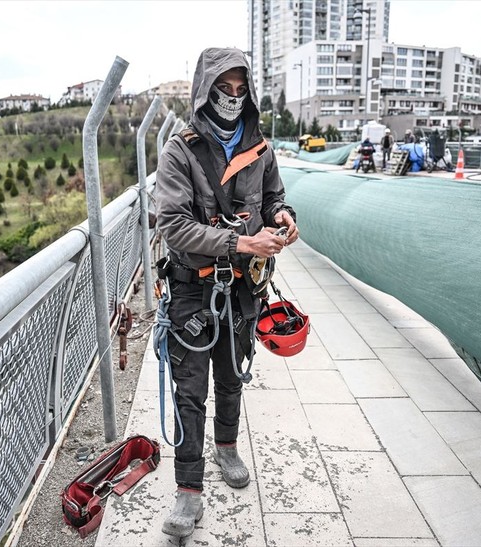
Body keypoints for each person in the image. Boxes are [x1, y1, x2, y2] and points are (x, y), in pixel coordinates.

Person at [154, 47, 298, 540]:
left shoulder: (261, 148)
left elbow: (275, 196)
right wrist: (240, 240)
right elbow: (173, 225)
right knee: (189, 388)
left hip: (243, 288)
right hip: (193, 289)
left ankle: (228, 446)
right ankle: (188, 491)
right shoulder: (180, 151)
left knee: (233, 373)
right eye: (224, 91)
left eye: (241, 91)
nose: (233, 99)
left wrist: (282, 216)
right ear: (206, 91)